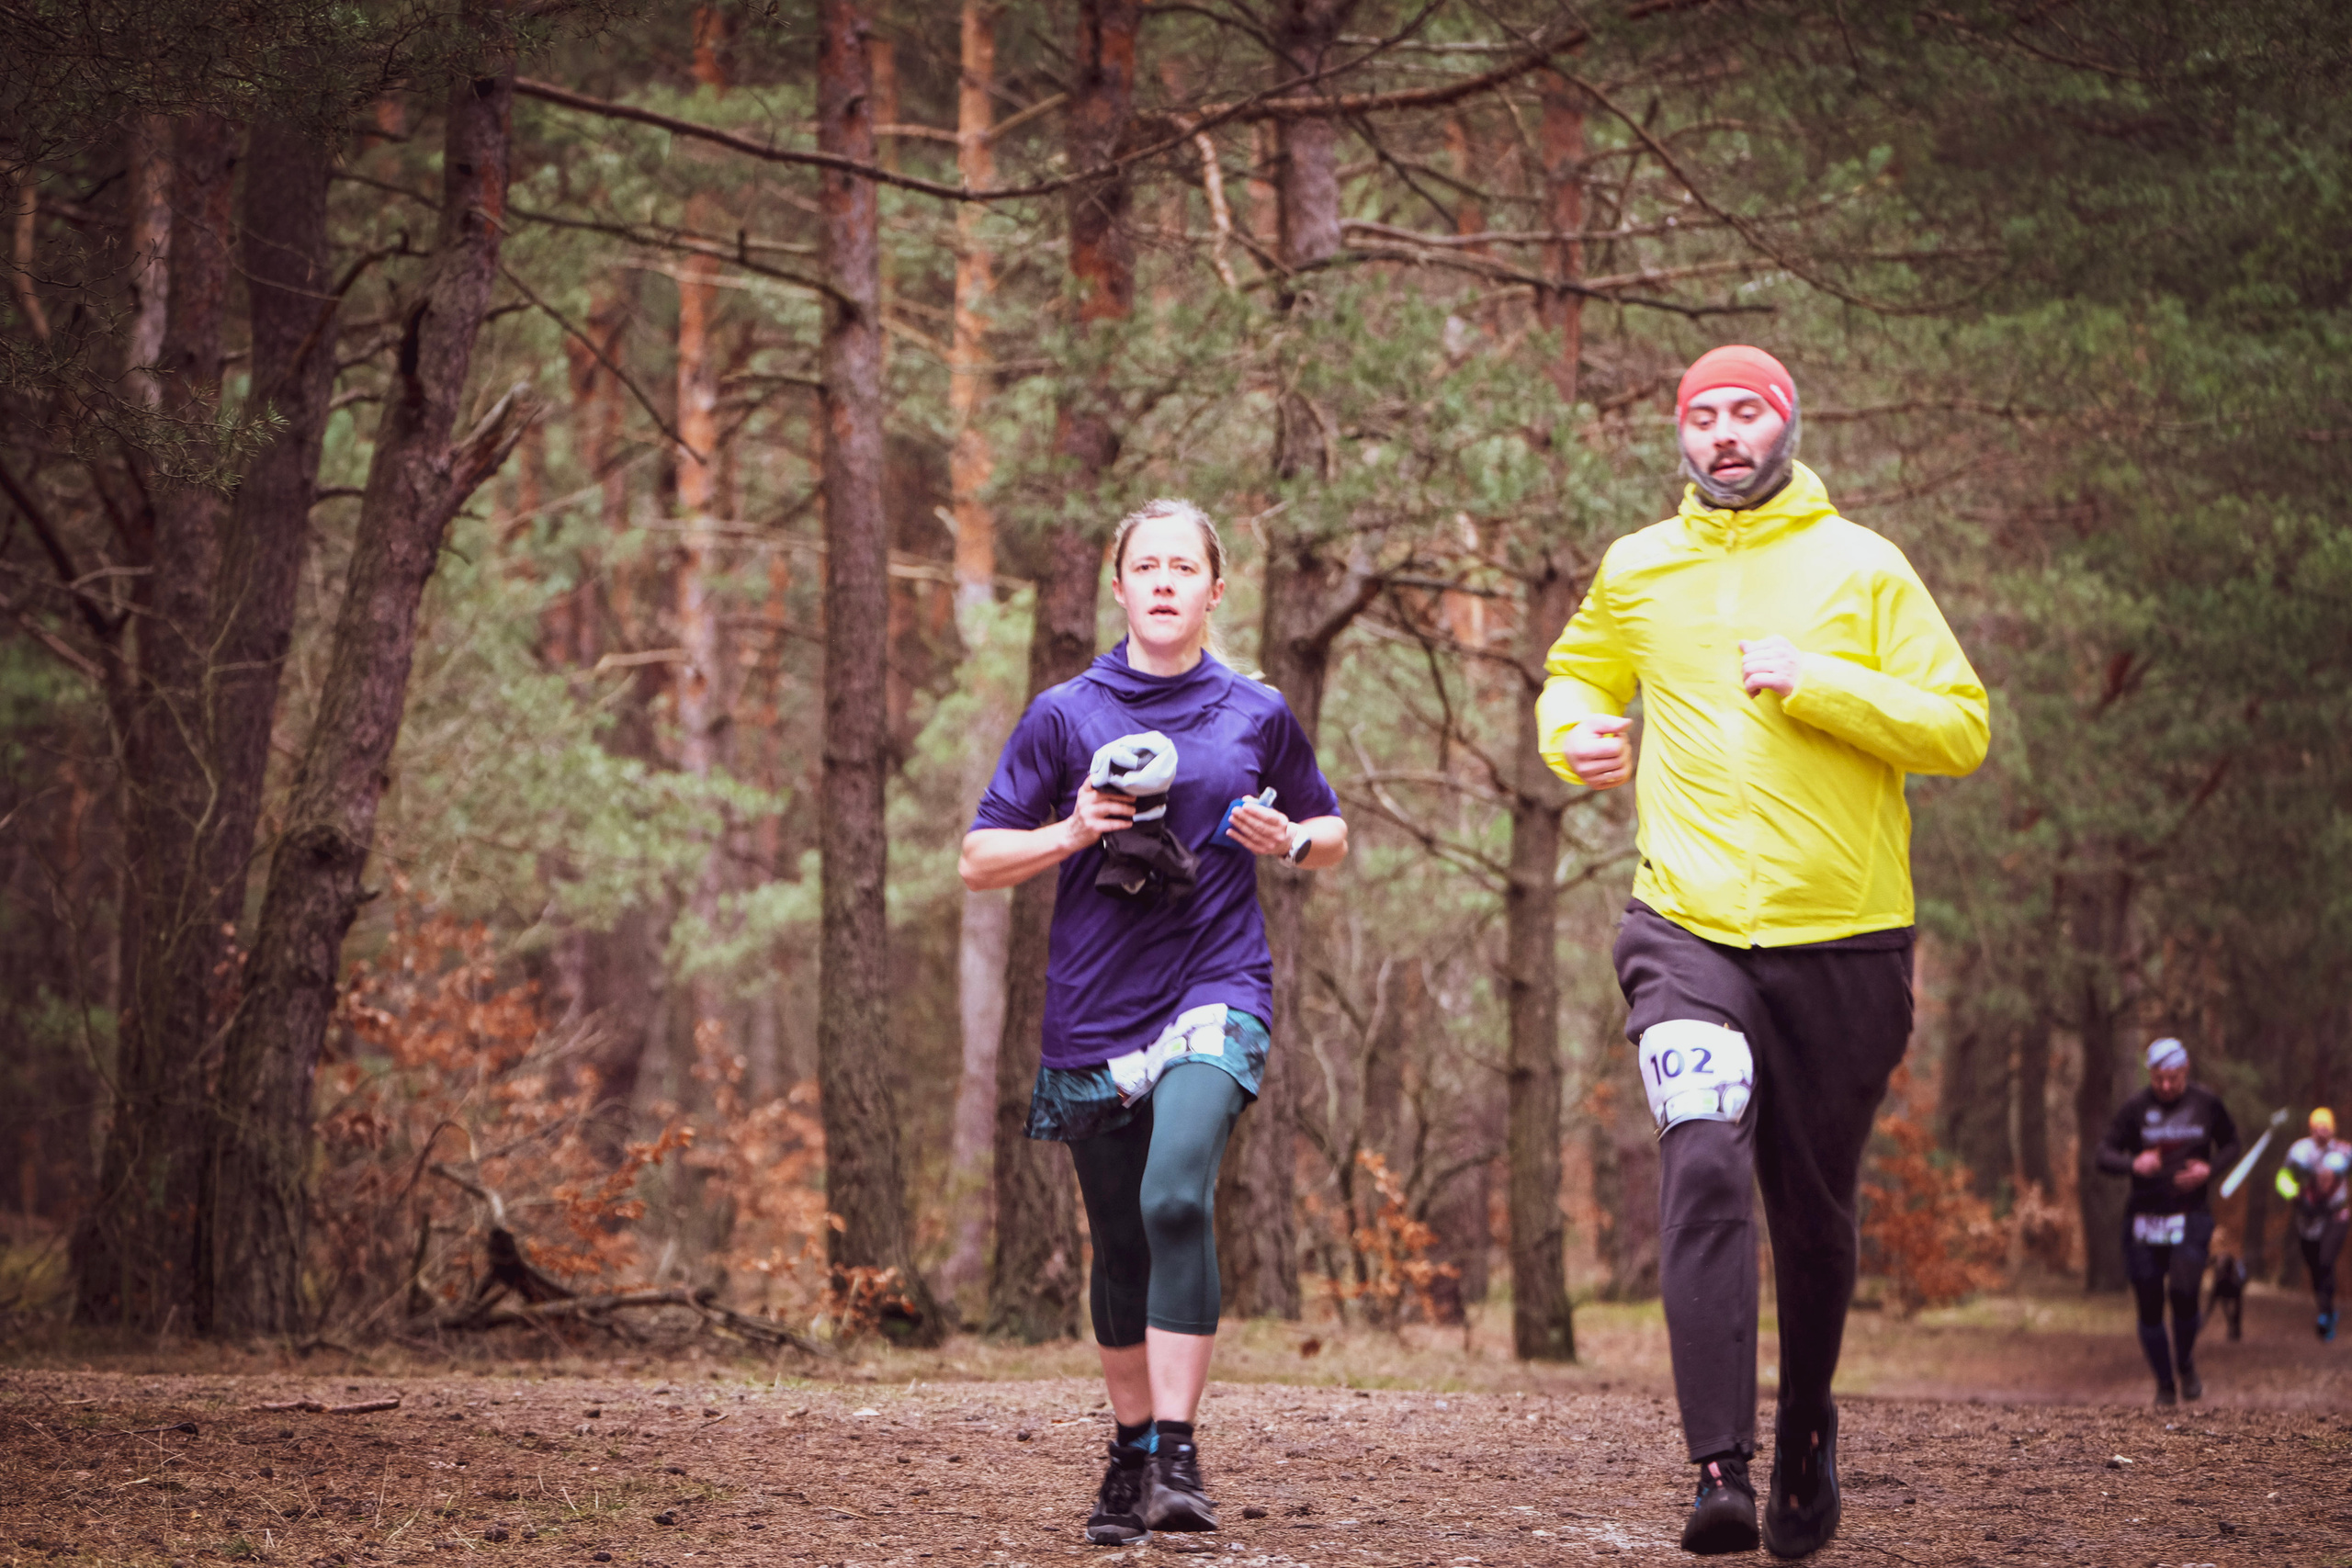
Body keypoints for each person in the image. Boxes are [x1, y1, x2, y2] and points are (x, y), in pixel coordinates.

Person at [1538, 345, 1989, 1557]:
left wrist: (1823, 681)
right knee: (1701, 1154)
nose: (1724, 433)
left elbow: (1961, 725)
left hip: (1844, 939)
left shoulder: (1864, 567)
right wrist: (1574, 730)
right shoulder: (1640, 565)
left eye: (1747, 412)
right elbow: (1577, 673)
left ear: (1786, 423)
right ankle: (1718, 1464)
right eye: (1704, 416)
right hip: (1685, 925)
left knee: (1813, 1207)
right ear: (1680, 436)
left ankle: (1805, 1424)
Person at [958, 498, 1346, 1544]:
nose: (1166, 581)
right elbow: (977, 858)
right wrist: (1073, 828)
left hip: (1215, 983)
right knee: (1120, 1240)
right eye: (1148, 566)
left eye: (1186, 567)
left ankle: (1179, 1451)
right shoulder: (1064, 713)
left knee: (1177, 1192)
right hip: (1094, 1005)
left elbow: (1330, 825)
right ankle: (1130, 1456)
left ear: (1216, 591)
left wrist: (1291, 844)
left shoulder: (1254, 711)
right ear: (1120, 588)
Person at [2097, 1037, 2241, 1404]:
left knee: (2183, 1291)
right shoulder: (2135, 1109)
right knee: (2148, 1300)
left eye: (2172, 1078)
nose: (2165, 1086)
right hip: (2144, 1216)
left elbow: (2232, 1145)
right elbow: (2103, 1154)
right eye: (2158, 1078)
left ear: (2185, 1070)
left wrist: (2209, 1170)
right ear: (2150, 1074)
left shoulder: (2206, 1104)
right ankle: (2165, 1383)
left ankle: (2186, 1363)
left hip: (2190, 1215)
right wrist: (2134, 1164)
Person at [2276, 1107, 2350, 1340]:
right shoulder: (2299, 1151)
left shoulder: (2344, 1152)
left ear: (2333, 1130)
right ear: (2311, 1128)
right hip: (2307, 1218)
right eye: (2318, 1127)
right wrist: (2294, 1195)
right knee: (2315, 1266)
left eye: (2326, 1128)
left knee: (2326, 1260)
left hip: (2335, 1216)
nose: (2322, 1132)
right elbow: (2282, 1179)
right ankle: (2326, 1308)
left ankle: (2326, 1316)